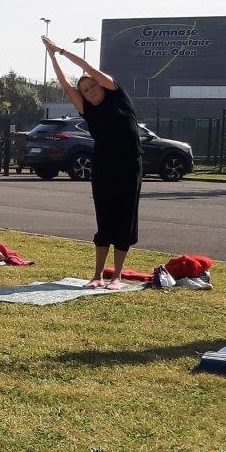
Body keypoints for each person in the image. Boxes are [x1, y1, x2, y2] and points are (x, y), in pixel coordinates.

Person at [42, 34, 141, 290]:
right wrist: (51, 57)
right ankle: (97, 274)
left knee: (125, 216)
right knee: (104, 216)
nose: (90, 92)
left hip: (129, 164)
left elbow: (87, 68)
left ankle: (116, 276)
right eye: (85, 90)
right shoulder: (88, 108)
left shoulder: (116, 94)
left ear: (101, 84)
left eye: (92, 86)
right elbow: (66, 85)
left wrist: (61, 49)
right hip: (104, 165)